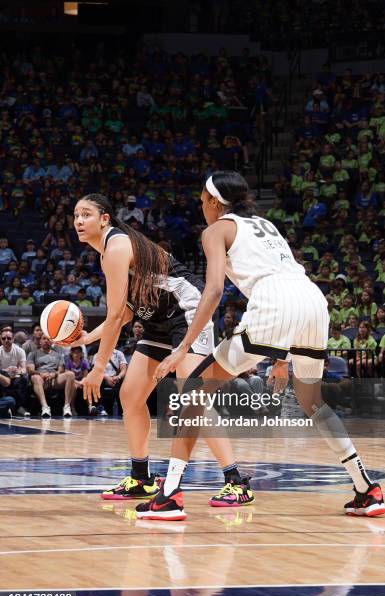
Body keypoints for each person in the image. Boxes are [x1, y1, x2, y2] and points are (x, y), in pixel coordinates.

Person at [139, 170, 385, 520]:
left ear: (214, 201)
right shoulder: (265, 225)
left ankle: (169, 496)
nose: (201, 207)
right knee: (313, 401)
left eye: (202, 201)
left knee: (193, 393)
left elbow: (212, 292)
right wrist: (282, 357)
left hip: (275, 302)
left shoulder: (216, 230)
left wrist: (182, 348)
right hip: (312, 299)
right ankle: (366, 488)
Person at [66, 193, 251, 509]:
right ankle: (141, 478)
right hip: (157, 320)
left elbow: (113, 317)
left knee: (192, 396)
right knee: (130, 395)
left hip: (187, 310)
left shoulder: (116, 247)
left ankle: (236, 482)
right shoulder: (110, 253)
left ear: (105, 219)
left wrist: (98, 368)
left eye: (86, 214)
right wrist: (85, 339)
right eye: (75, 216)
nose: (79, 221)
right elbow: (123, 313)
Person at [26, 334, 76, 418]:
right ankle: (45, 407)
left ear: (52, 342)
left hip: (54, 378)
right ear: (40, 341)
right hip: (41, 378)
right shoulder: (33, 354)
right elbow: (30, 370)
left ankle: (67, 407)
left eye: (48, 339)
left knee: (71, 374)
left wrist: (54, 374)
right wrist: (40, 374)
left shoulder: (58, 355)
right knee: (35, 377)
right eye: (44, 339)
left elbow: (61, 369)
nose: (46, 341)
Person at [0, 329, 29, 417]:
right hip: (3, 376)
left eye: (8, 338)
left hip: (15, 376)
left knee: (25, 377)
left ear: (13, 339)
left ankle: (20, 407)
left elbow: (24, 369)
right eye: (3, 338)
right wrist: (6, 371)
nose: (6, 340)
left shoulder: (19, 351)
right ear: (1, 339)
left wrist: (17, 371)